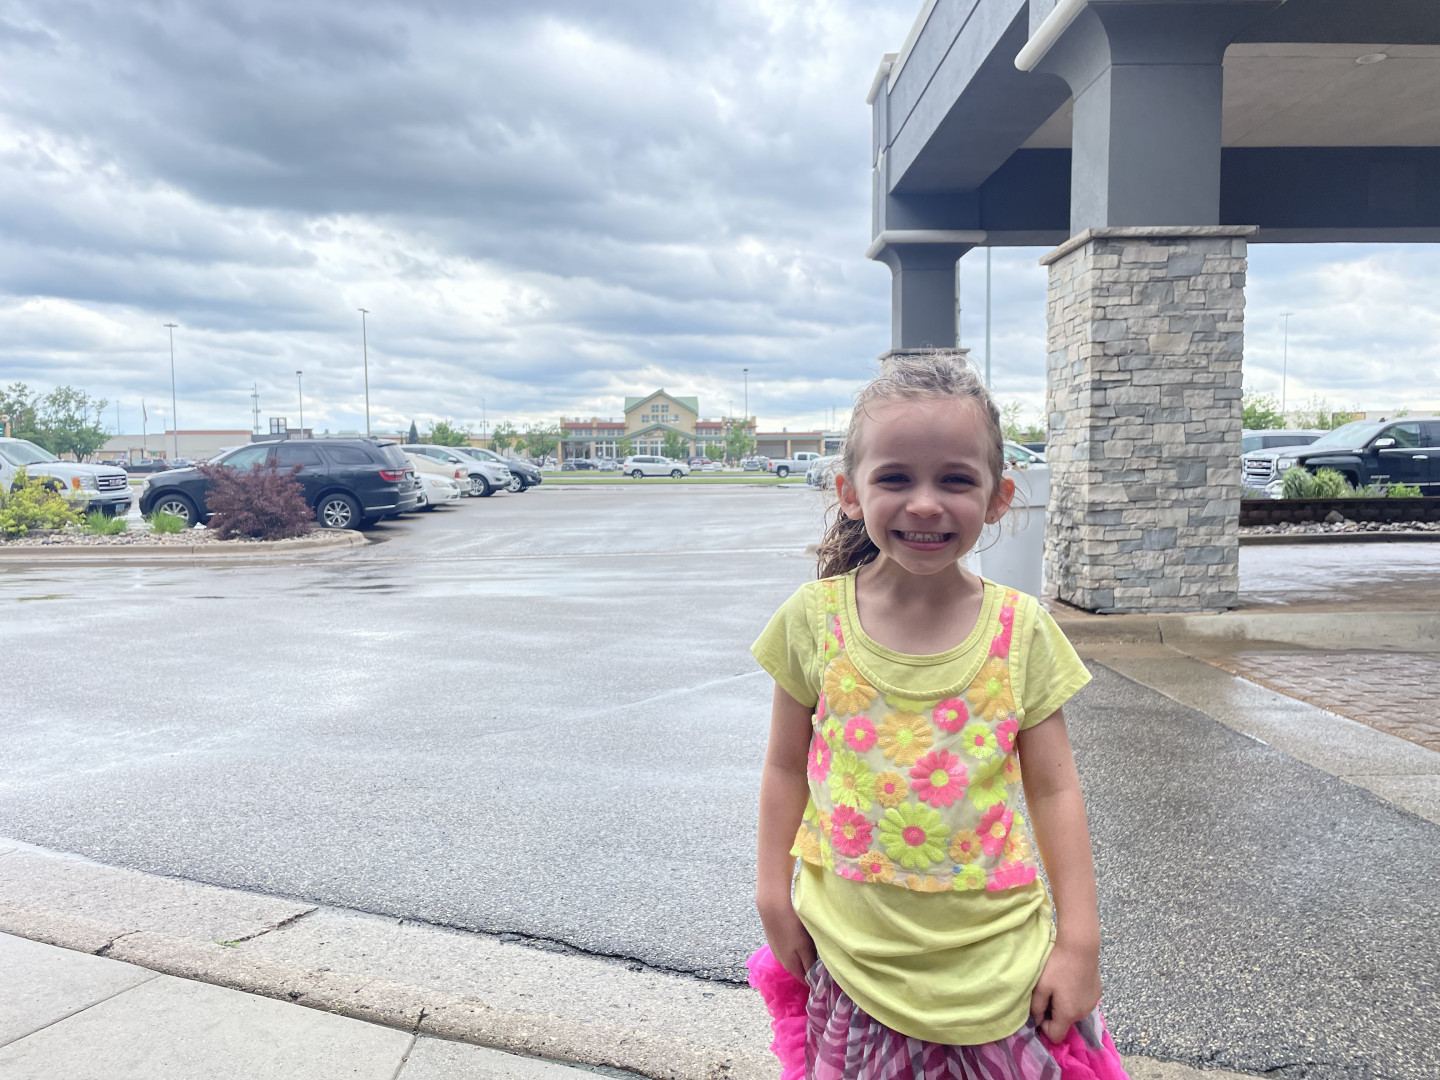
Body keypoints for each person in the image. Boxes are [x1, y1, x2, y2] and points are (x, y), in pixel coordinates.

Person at [750, 354, 1124, 1080]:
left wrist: (1080, 943)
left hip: (999, 973)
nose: (925, 504)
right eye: (895, 478)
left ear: (999, 497)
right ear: (849, 492)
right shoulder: (813, 620)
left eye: (955, 479)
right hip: (851, 963)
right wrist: (772, 891)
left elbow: (1054, 791)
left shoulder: (1022, 630)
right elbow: (785, 767)